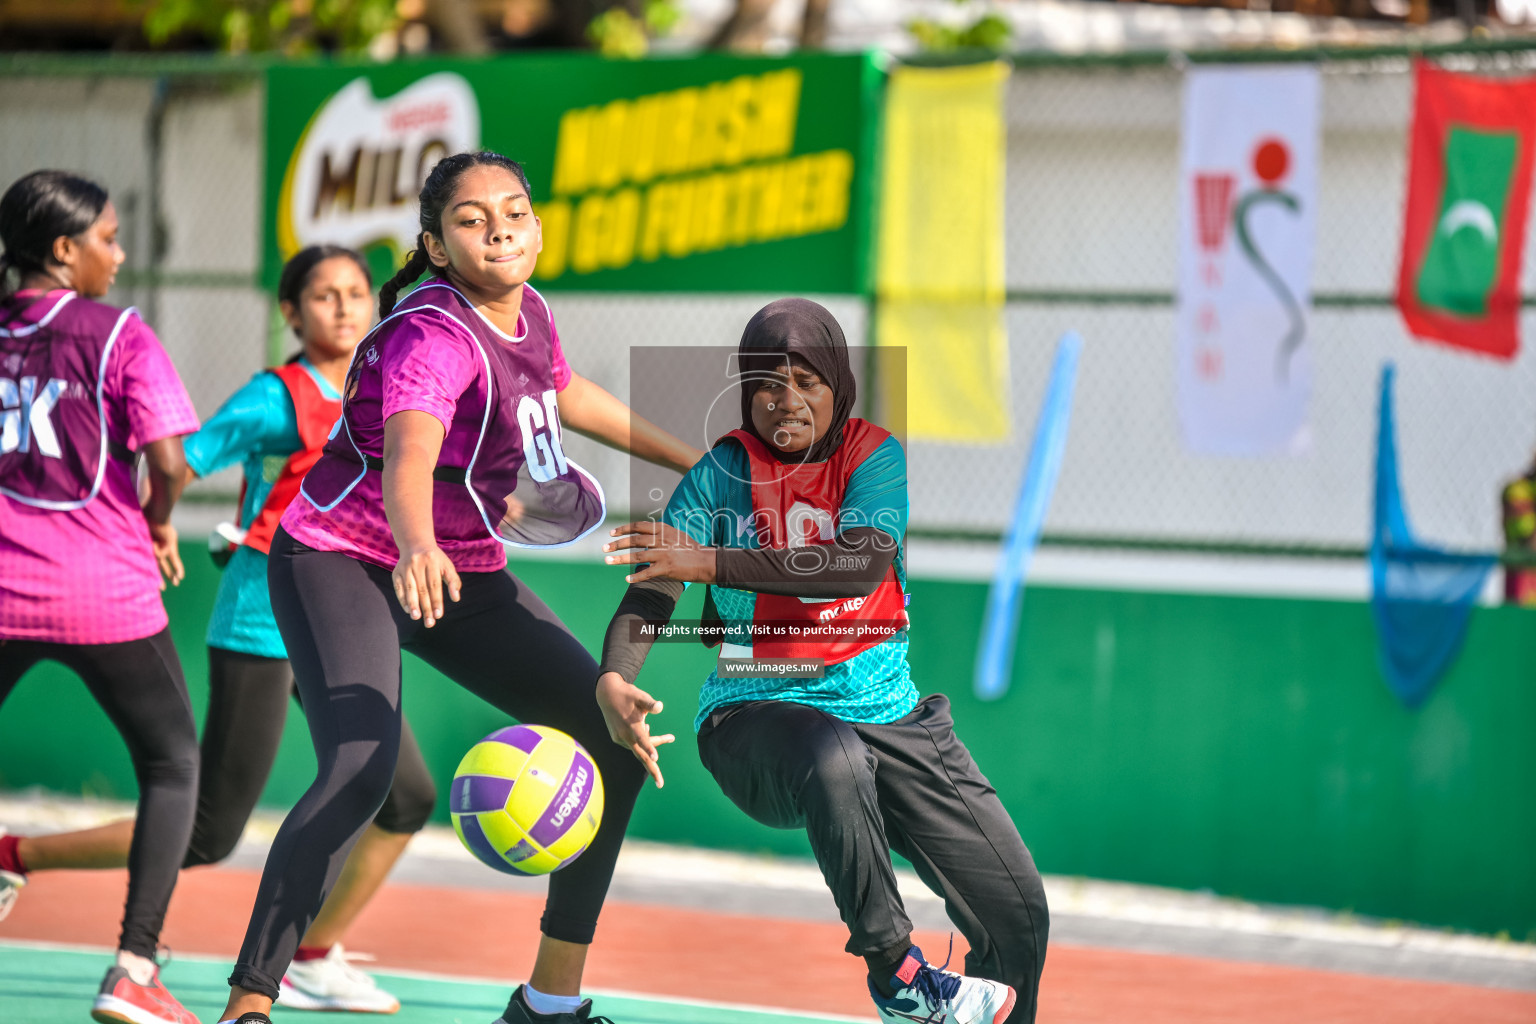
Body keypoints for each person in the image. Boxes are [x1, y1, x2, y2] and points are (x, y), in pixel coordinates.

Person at [214, 150, 702, 1024]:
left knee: (611, 737)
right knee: (362, 769)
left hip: (459, 564)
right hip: (346, 557)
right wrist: (414, 544)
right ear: (436, 246)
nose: (500, 228)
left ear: (538, 228)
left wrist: (697, 463)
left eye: (513, 211)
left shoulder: (530, 313)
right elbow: (409, 451)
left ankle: (549, 1003)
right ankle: (251, 1001)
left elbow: (567, 392)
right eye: (473, 220)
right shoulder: (430, 335)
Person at [0, 244, 433, 1014]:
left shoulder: (390, 390)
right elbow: (178, 459)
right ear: (291, 314)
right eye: (324, 296)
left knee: (406, 797)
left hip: (349, 618)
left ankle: (311, 954)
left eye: (357, 293)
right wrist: (158, 526)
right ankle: (15, 854)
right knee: (208, 832)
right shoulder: (274, 398)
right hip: (264, 618)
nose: (344, 307)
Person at [593, 299, 1050, 1024]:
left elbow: (858, 565)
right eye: (767, 382)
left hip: (889, 717)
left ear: (838, 384)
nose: (787, 400)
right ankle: (897, 972)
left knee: (1019, 913)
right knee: (834, 755)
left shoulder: (873, 456)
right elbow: (657, 584)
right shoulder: (722, 473)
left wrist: (711, 559)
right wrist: (616, 676)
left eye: (807, 379)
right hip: (756, 717)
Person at [0, 170, 201, 1024]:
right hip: (100, 590)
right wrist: (159, 522)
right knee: (172, 764)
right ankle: (134, 968)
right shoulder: (118, 332)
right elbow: (169, 463)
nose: (118, 255)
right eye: (108, 239)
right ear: (62, 249)